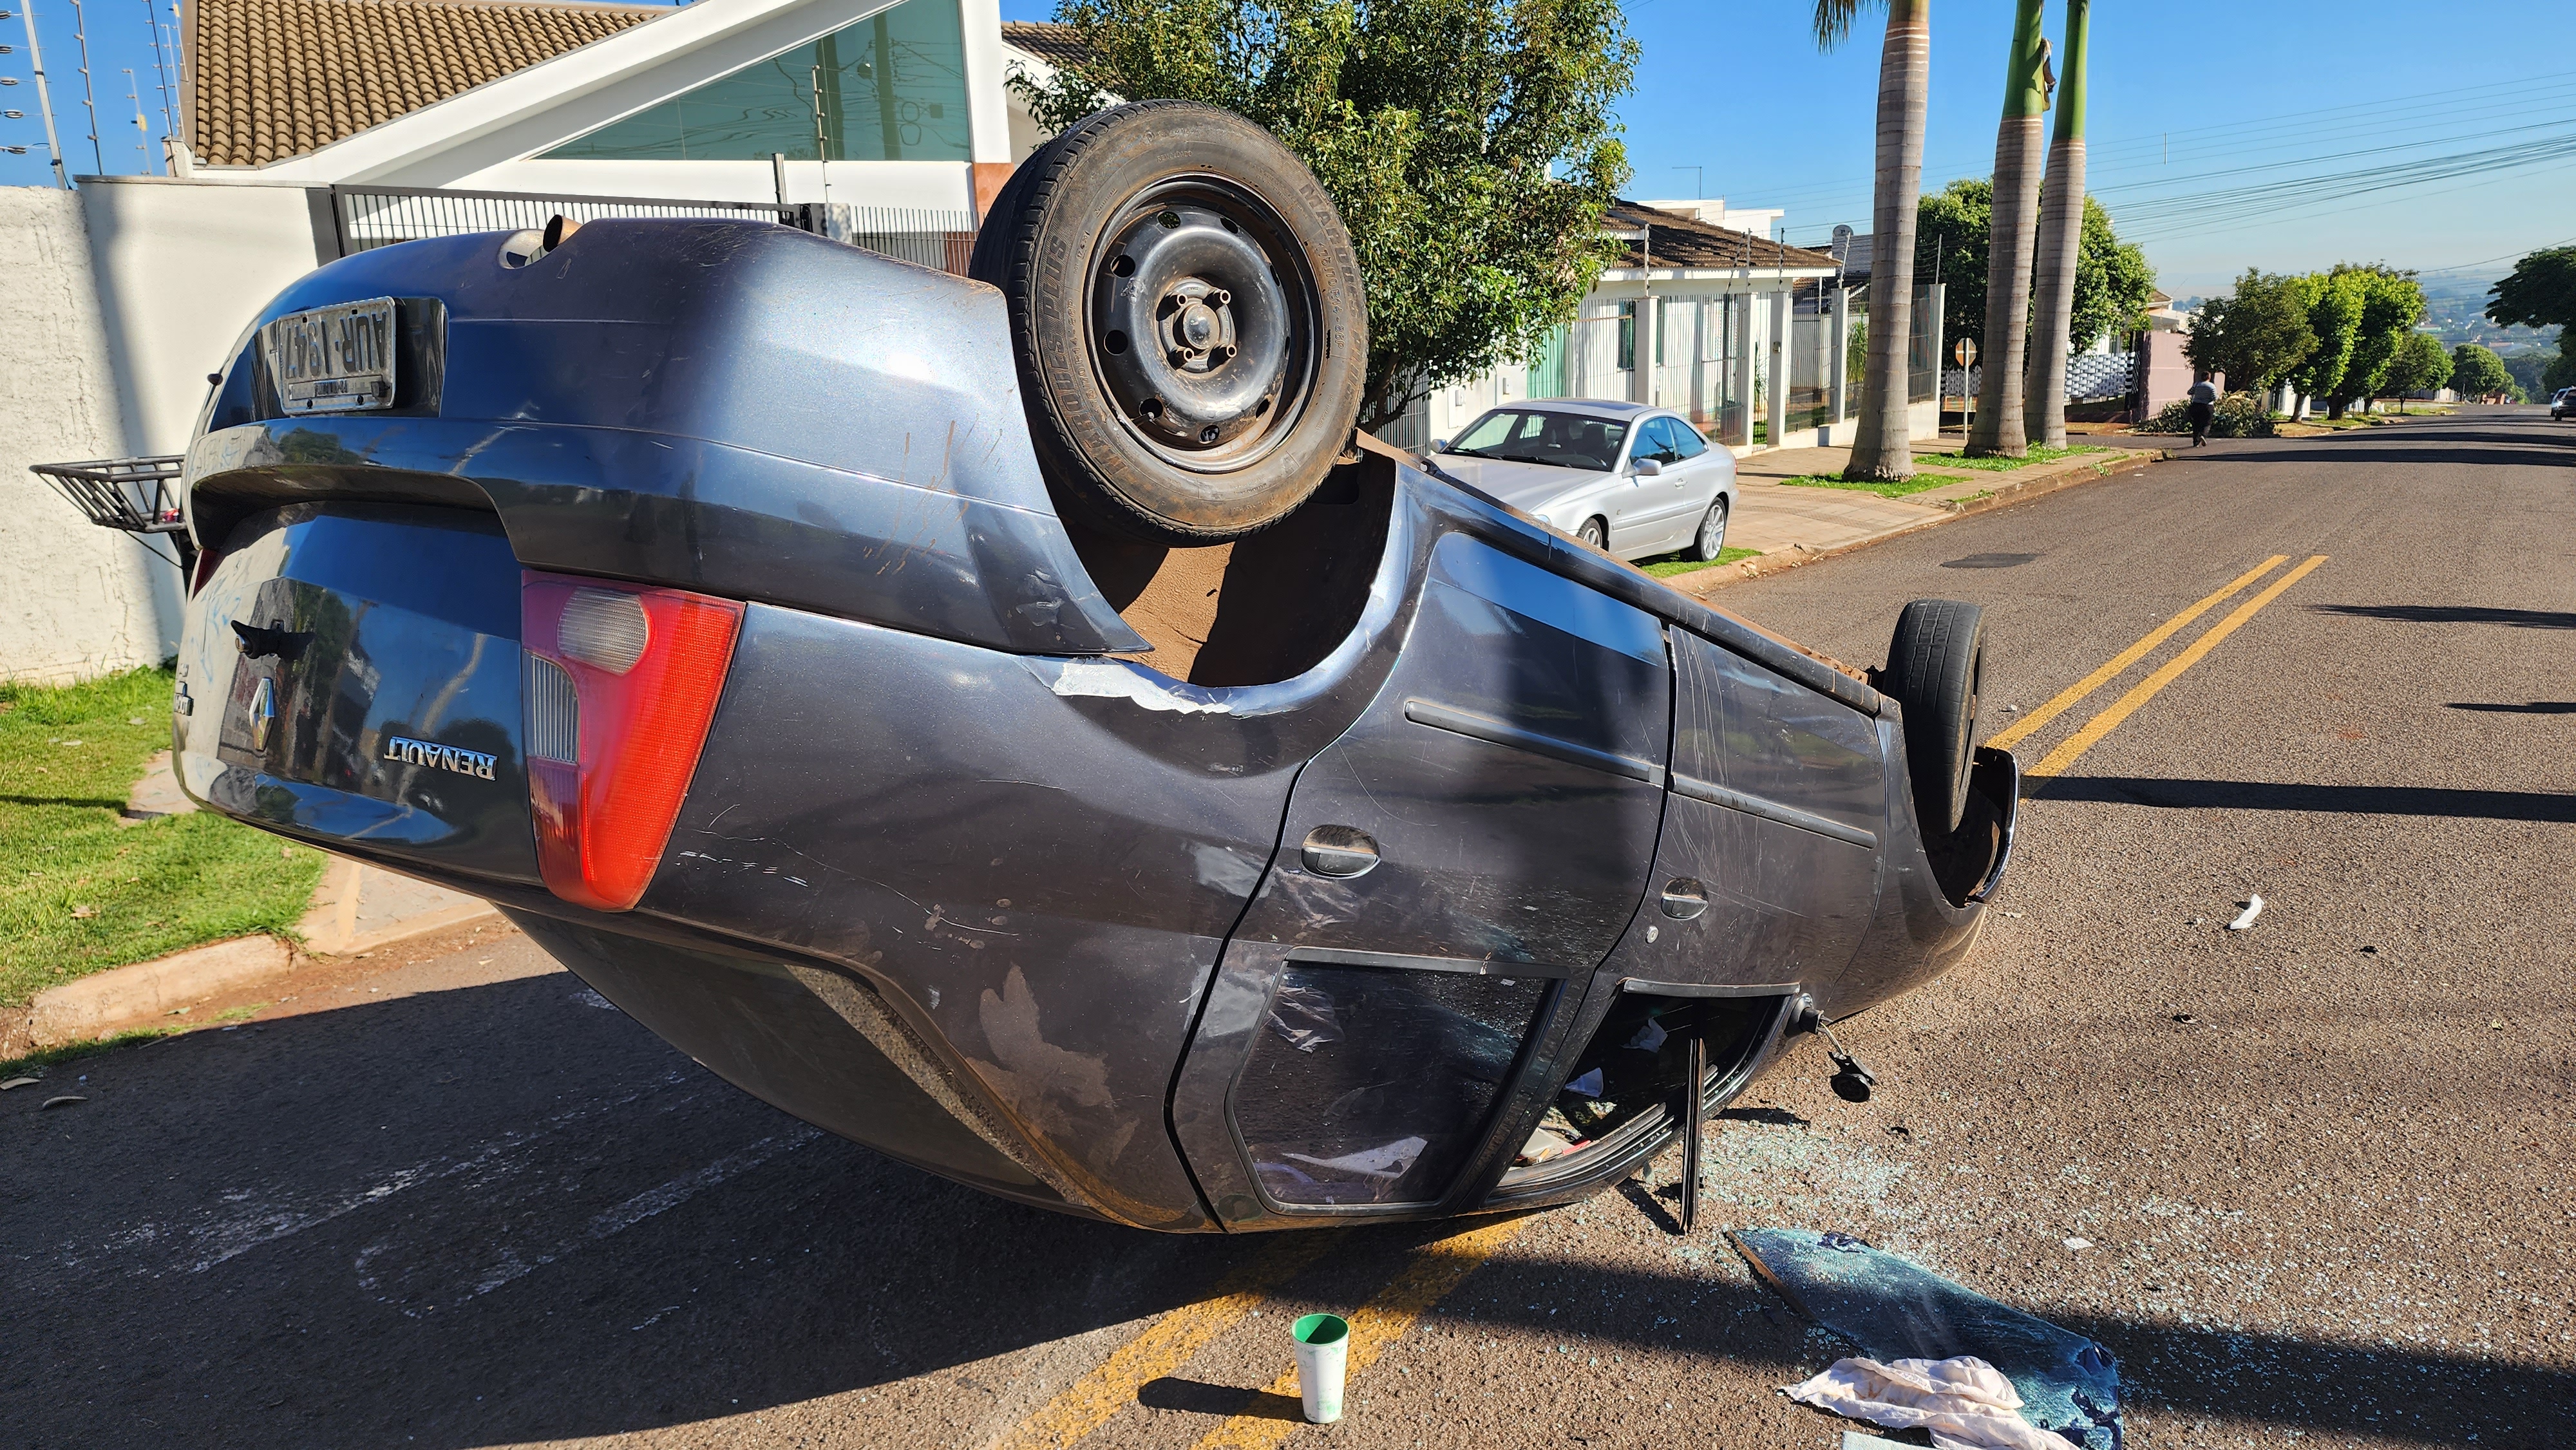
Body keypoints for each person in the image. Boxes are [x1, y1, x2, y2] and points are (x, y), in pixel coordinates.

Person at [2186, 377, 2219, 446]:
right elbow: (2214, 398)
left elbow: (2189, 392)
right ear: (2209, 378)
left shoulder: (2197, 384)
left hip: (2196, 405)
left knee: (2196, 423)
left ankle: (2196, 442)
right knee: (2207, 423)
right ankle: (2203, 435)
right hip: (2207, 406)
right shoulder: (2212, 386)